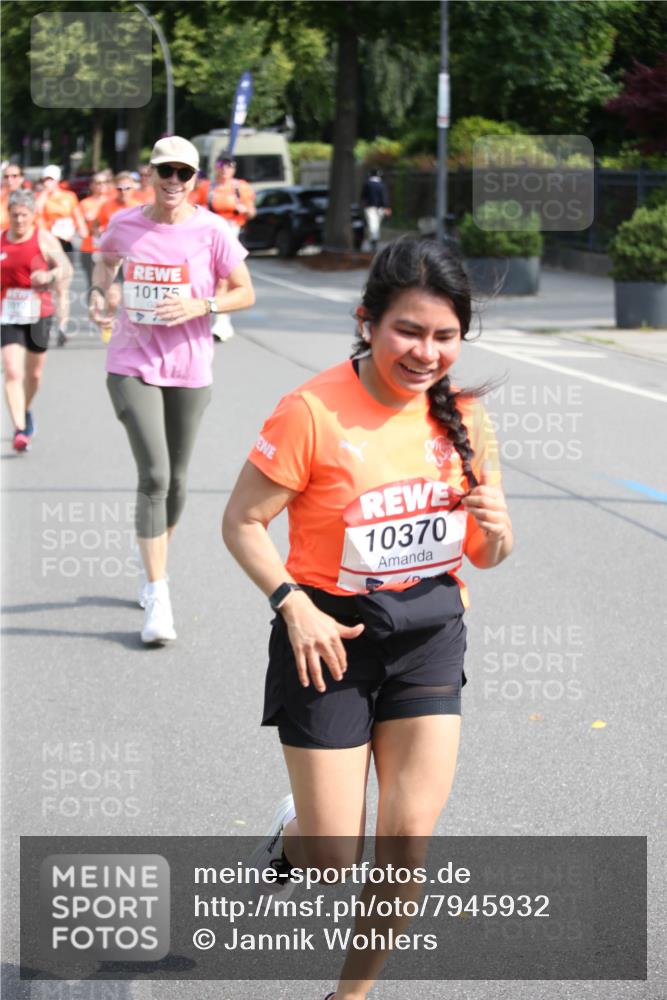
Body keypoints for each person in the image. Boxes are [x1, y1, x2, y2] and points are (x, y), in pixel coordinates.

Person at [222, 237, 513, 1000]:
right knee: (332, 856)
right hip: (328, 639)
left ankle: (348, 997)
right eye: (407, 331)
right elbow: (242, 523)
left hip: (427, 637)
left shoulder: (466, 421)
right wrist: (292, 607)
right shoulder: (310, 411)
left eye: (444, 336)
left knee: (407, 843)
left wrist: (499, 523)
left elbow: (485, 555)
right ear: (367, 322)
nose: (426, 352)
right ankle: (295, 841)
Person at [89, 135, 255, 646]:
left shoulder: (213, 230)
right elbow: (104, 263)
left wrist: (201, 306)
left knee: (178, 481)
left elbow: (245, 292)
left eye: (185, 174)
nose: (174, 182)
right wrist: (103, 293)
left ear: (195, 178)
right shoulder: (125, 224)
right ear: (152, 174)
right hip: (131, 362)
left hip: (189, 366)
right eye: (166, 172)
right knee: (155, 473)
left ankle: (151, 562)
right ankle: (159, 594)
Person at [1, 189, 72, 451]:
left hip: (38, 313)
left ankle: (26, 408)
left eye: (24, 215)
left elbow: (66, 267)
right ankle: (20, 428)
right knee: (12, 370)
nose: (19, 220)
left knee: (34, 374)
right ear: (8, 214)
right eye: (15, 215)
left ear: (33, 215)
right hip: (8, 313)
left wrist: (50, 275)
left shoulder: (43, 239)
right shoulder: (1, 240)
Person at [195, 156, 257, 342]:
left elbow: (252, 211)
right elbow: (197, 207)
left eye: (228, 166)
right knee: (212, 277)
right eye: (221, 166)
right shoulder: (207, 187)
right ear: (215, 168)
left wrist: (244, 209)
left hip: (232, 231)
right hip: (211, 232)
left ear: (234, 169)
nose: (224, 170)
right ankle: (216, 318)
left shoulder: (240, 187)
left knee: (225, 278)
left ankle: (222, 322)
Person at [79, 172, 111, 289]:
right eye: (98, 183)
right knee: (93, 285)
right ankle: (94, 307)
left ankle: (108, 307)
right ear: (92, 185)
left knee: (110, 286)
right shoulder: (84, 204)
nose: (101, 185)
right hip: (89, 249)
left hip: (109, 250)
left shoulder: (112, 203)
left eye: (104, 182)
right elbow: (81, 227)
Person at [361, 168, 391, 253]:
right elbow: (385, 197)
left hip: (370, 208)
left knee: (373, 225)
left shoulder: (367, 184)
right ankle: (374, 241)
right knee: (375, 225)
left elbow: (363, 197)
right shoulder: (381, 185)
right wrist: (386, 207)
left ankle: (373, 241)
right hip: (380, 208)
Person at [1, 164, 27, 230]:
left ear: (21, 178)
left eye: (14, 176)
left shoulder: (29, 199)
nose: (9, 179)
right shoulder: (1, 199)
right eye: (6, 176)